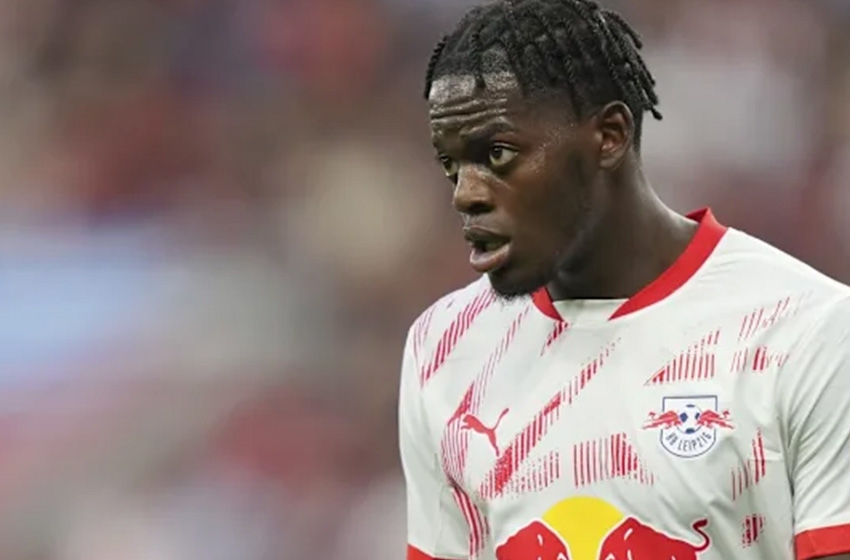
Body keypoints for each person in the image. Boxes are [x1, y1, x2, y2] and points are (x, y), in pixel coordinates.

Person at [397, 1, 850, 560]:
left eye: (498, 153)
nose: (465, 193)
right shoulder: (444, 347)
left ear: (609, 135)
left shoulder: (808, 331)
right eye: (451, 164)